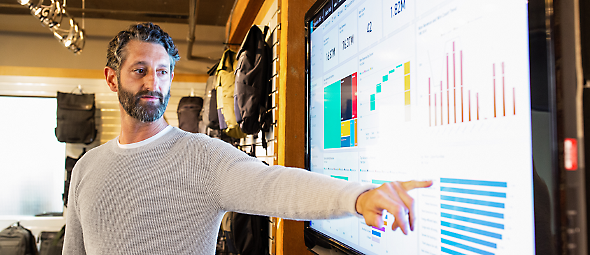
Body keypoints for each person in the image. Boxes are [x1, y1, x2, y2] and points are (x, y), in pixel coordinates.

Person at [62, 22, 432, 255]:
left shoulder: (201, 157)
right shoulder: (87, 168)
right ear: (112, 79)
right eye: (139, 71)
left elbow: (275, 185)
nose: (153, 84)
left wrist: (359, 196)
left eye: (162, 71)